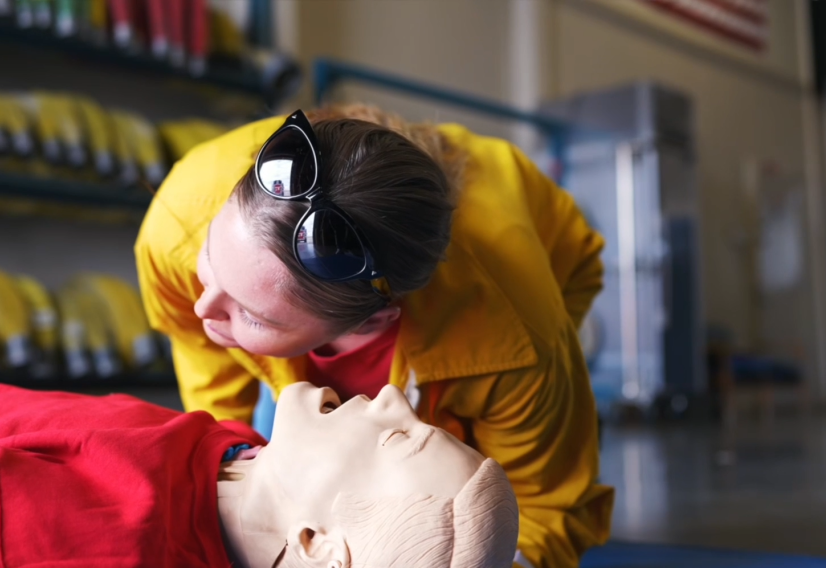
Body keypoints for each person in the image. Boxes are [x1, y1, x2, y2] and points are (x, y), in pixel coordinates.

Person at [136, 104, 614, 568]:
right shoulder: (178, 226)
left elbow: (547, 505)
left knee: (444, 488)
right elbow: (211, 384)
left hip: (534, 284)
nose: (204, 308)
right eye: (211, 265)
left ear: (372, 323)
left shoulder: (513, 342)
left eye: (253, 315)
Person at [0, 373, 519, 568]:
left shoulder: (48, 544)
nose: (396, 398)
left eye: (399, 442)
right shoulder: (242, 468)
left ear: (317, 544)